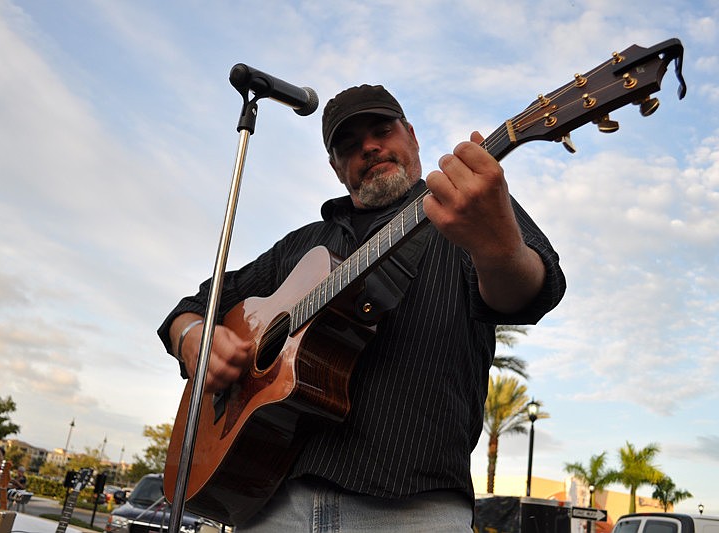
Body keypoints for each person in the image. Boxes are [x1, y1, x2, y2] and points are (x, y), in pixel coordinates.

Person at [158, 84, 566, 532]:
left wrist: (498, 248)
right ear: (336, 167)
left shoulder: (469, 207)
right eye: (349, 145)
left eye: (382, 131)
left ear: (411, 135)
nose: (369, 147)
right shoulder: (302, 246)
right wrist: (192, 337)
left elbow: (533, 290)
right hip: (272, 505)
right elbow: (197, 304)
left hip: (414, 510)